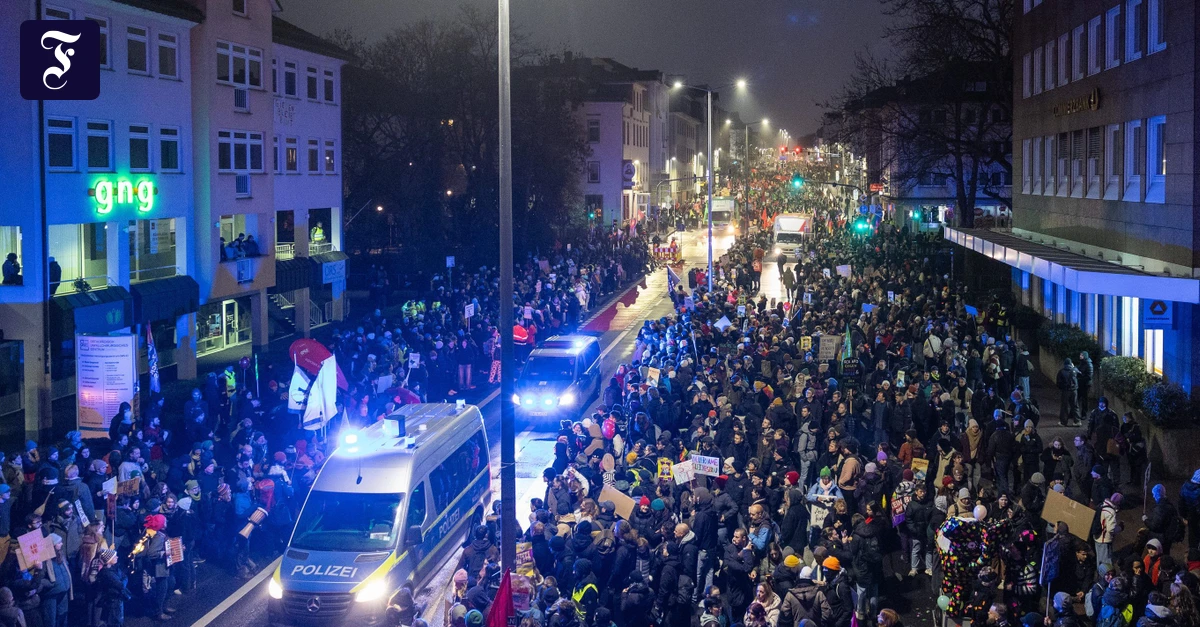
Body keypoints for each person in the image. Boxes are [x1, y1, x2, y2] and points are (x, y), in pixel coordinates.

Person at [1056, 358, 1080, 427]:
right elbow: (1080, 375)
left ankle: (1063, 422)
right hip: (1074, 390)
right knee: (1075, 405)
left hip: (1065, 391)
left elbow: (1058, 383)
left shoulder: (1061, 372)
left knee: (1064, 406)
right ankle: (1077, 421)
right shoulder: (1075, 370)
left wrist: (1062, 387)